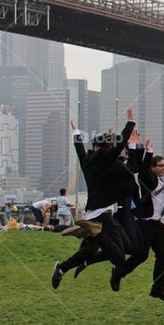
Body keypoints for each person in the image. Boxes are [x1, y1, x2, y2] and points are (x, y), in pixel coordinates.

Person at [52, 109, 137, 289]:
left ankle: (62, 268)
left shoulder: (87, 160)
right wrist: (129, 123)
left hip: (93, 212)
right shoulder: (104, 158)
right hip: (102, 214)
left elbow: (80, 150)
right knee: (120, 257)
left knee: (88, 252)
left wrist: (76, 133)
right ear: (104, 148)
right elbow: (117, 148)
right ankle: (96, 232)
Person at [112, 137, 164, 302]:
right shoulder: (147, 179)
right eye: (160, 166)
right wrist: (148, 152)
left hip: (158, 225)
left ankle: (157, 290)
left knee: (163, 256)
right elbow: (143, 169)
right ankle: (118, 273)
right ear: (153, 168)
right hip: (144, 224)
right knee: (141, 256)